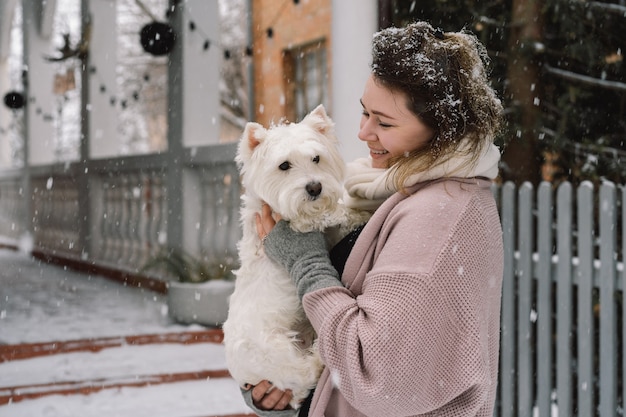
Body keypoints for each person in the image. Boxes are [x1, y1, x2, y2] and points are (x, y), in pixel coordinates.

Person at [243, 20, 504, 417]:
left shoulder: (438, 216)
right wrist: (283, 384)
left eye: (384, 122)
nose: (364, 132)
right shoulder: (388, 190)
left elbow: (377, 375)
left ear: (441, 131)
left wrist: (305, 262)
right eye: (365, 113)